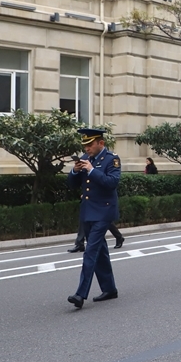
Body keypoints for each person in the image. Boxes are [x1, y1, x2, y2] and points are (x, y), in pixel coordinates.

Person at [66, 128, 121, 309]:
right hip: (89, 212)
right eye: (85, 146)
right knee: (101, 251)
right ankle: (109, 288)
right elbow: (72, 185)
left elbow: (111, 183)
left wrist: (91, 170)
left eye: (90, 145)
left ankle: (80, 294)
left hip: (104, 212)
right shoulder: (85, 159)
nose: (87, 149)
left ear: (101, 143)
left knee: (90, 252)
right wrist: (74, 171)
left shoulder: (112, 159)